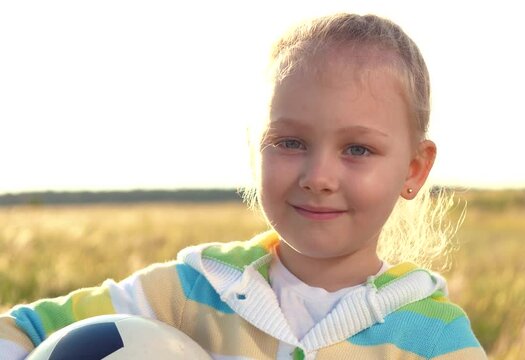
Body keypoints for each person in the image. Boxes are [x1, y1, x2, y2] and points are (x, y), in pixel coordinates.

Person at [0, 13, 486, 359]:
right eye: (289, 141)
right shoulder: (189, 291)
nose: (318, 177)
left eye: (357, 149)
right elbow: (21, 329)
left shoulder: (437, 339)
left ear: (414, 170)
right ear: (256, 147)